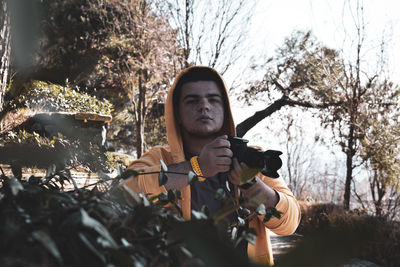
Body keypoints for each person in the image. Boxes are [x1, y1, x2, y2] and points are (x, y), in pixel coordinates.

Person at [121, 66, 301, 266]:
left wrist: (256, 190)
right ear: (177, 114)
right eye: (192, 101)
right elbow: (124, 190)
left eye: (213, 100)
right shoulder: (159, 158)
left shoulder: (250, 158)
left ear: (225, 109)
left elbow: (289, 224)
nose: (204, 106)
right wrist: (196, 168)